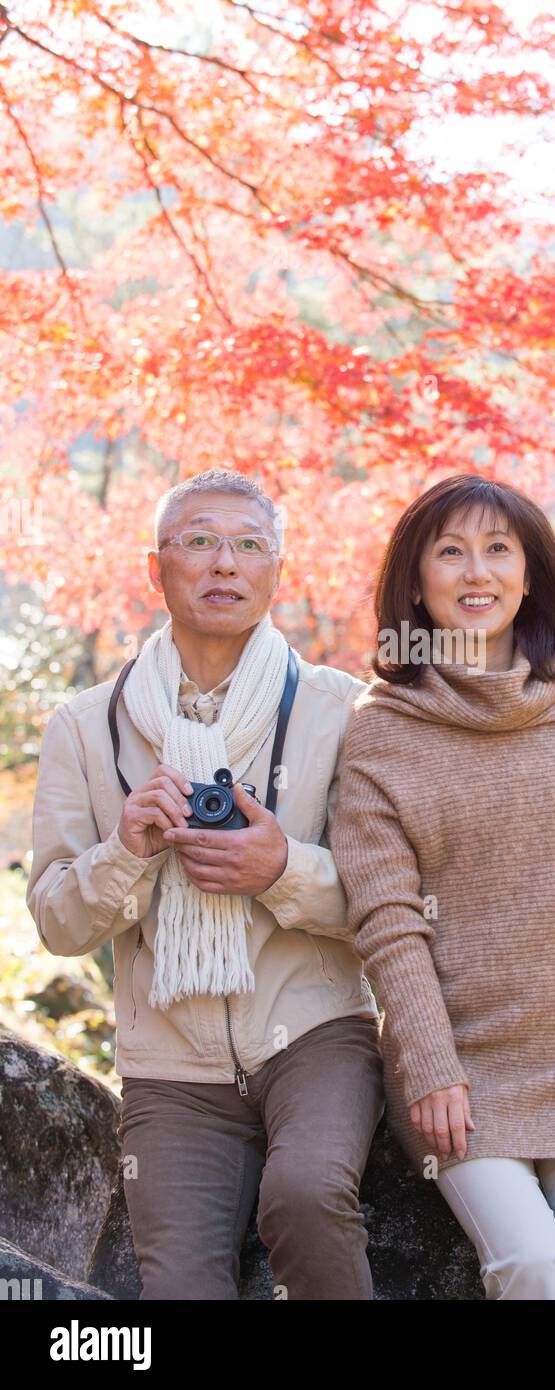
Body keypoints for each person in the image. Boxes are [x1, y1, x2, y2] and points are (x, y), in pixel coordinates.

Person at [330, 472, 555, 1301]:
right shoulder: (381, 732)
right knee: (533, 1267)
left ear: (529, 574)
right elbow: (387, 922)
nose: (477, 573)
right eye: (450, 552)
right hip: (465, 1070)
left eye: (500, 550)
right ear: (415, 581)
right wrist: (429, 1066)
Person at [26, 467, 384, 1300]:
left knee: (306, 1196)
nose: (225, 563)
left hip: (316, 1036)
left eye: (249, 545)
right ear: (157, 568)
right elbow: (56, 921)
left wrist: (281, 869)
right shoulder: (86, 725)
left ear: (276, 573)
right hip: (168, 1066)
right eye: (198, 541)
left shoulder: (340, 710)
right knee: (178, 1285)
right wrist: (126, 850)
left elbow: (396, 900)